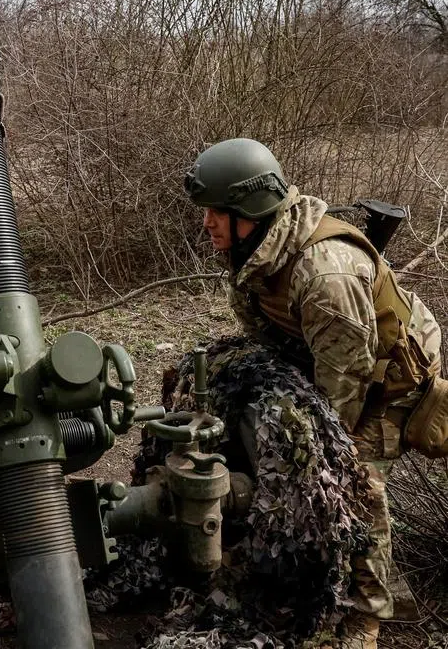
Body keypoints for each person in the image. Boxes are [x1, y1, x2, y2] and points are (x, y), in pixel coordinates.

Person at [183, 138, 443, 649]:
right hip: (330, 358)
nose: (206, 223)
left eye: (216, 212)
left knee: (349, 479)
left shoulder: (325, 273)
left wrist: (314, 454)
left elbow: (346, 383)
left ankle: (367, 614)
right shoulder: (254, 247)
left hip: (388, 382)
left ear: (249, 211)